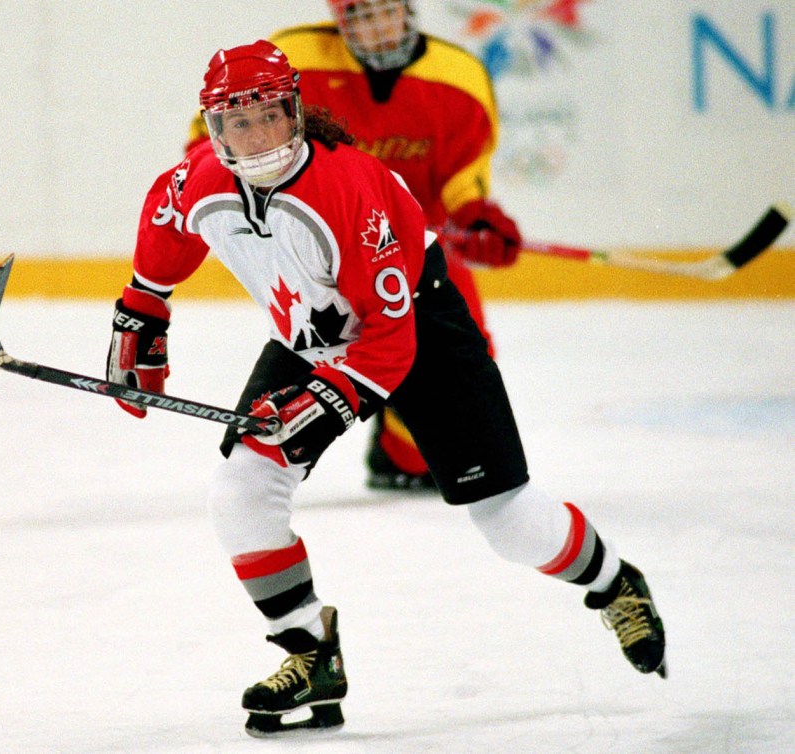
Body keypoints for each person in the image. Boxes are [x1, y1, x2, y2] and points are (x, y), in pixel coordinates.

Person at [108, 39, 666, 738]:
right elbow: (167, 228)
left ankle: (615, 582)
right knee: (243, 486)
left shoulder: (347, 189)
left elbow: (388, 342)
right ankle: (309, 653)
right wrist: (144, 312)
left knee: (507, 520)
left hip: (415, 330)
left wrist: (320, 404)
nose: (256, 137)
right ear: (213, 130)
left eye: (270, 116)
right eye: (237, 122)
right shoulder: (199, 181)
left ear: (297, 113)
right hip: (311, 332)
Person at [185, 0, 522, 493]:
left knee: (451, 368)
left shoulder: (460, 76)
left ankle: (400, 448)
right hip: (310, 241)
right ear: (339, 20)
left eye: (384, 12)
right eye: (359, 17)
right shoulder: (294, 57)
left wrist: (476, 219)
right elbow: (208, 143)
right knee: (317, 339)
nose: (375, 29)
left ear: (407, 11)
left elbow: (462, 175)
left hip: (411, 247)